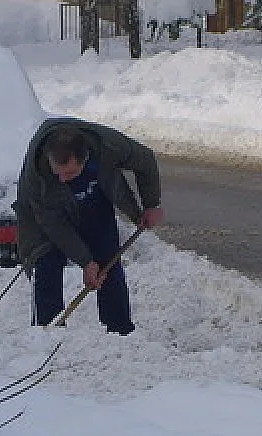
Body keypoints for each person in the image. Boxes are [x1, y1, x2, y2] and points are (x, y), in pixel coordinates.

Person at [13, 117, 164, 335]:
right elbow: (54, 224)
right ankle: (48, 335)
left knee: (108, 261)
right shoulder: (38, 176)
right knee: (46, 262)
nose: (64, 179)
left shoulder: (108, 146)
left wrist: (150, 204)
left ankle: (120, 332)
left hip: (94, 200)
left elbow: (145, 159)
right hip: (44, 214)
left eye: (71, 173)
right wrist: (85, 260)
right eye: (59, 173)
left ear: (86, 158)